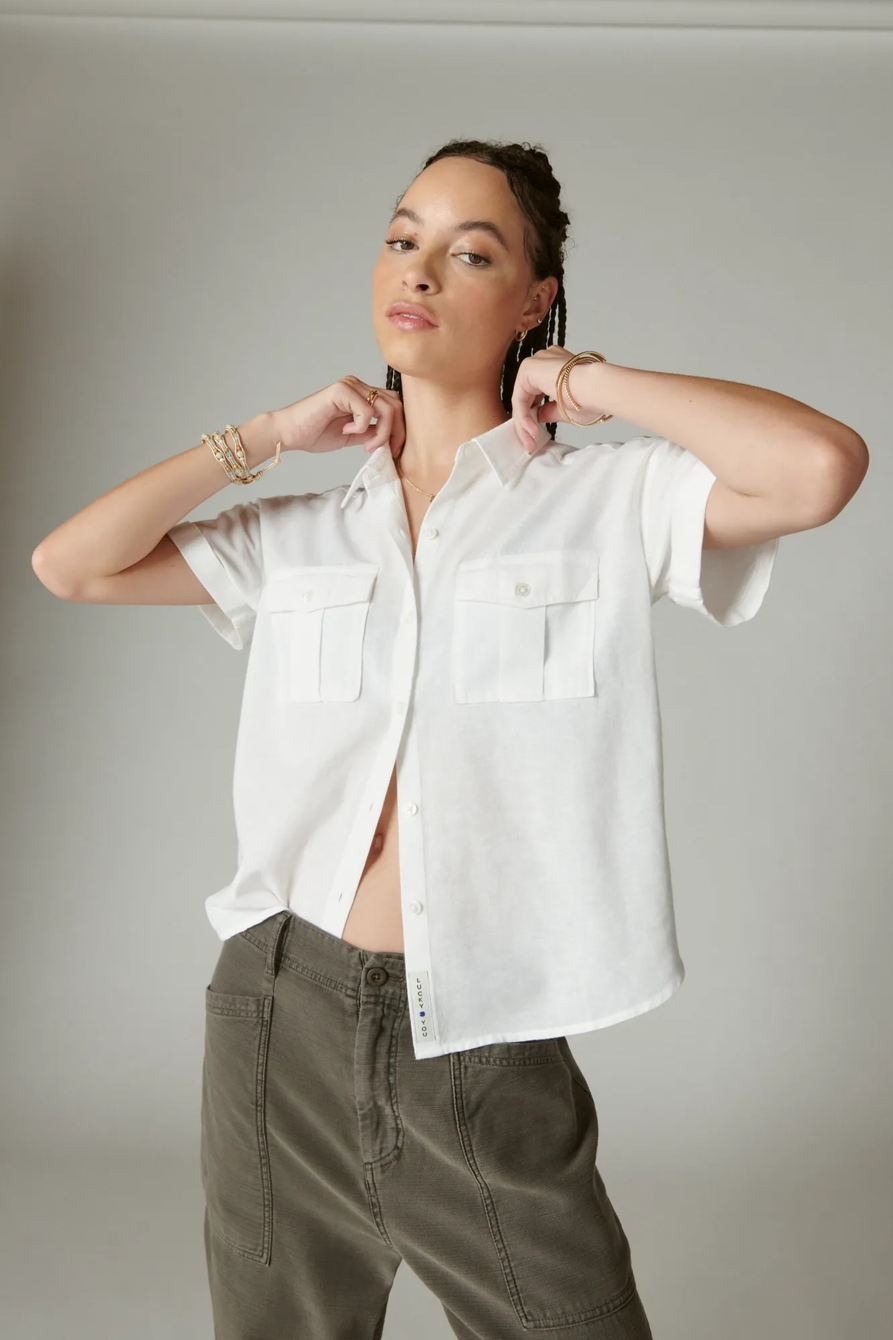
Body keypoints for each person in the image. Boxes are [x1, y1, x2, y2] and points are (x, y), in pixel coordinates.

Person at [32, 138, 868, 1339]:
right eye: (400, 238)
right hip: (279, 1013)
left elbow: (818, 467)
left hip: (483, 1022)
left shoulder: (605, 502)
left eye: (470, 252)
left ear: (532, 299)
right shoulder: (306, 529)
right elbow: (70, 563)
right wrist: (263, 435)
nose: (418, 269)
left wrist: (585, 379)